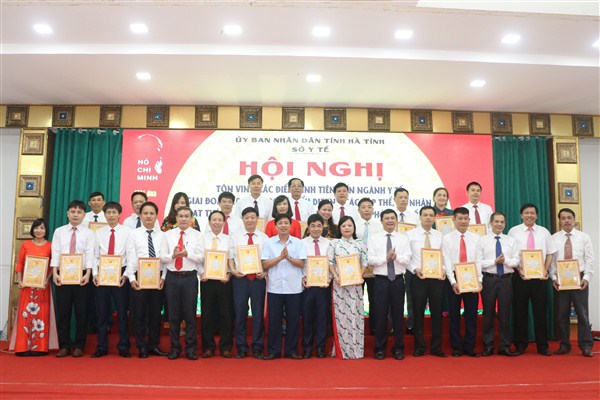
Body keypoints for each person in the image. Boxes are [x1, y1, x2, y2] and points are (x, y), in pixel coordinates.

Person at [507, 203, 557, 356]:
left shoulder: (544, 232)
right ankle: (520, 344)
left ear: (536, 215)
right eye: (526, 213)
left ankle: (542, 346)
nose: (529, 215)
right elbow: (511, 254)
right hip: (520, 276)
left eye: (532, 213)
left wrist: (545, 269)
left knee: (540, 312)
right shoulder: (513, 231)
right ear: (521, 215)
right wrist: (519, 270)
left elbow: (550, 253)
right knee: (520, 311)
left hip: (540, 278)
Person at [51, 200, 95, 358]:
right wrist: (55, 272)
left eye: (79, 212)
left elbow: (90, 254)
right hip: (63, 275)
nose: (75, 215)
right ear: (67, 214)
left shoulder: (89, 233)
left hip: (82, 275)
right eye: (73, 212)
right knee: (63, 312)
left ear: (84, 215)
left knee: (81, 313)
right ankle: (64, 345)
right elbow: (55, 252)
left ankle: (79, 346)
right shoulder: (59, 232)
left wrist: (88, 274)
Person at [160, 206, 203, 360]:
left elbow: (201, 257)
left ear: (191, 218)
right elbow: (162, 257)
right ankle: (174, 348)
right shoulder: (167, 235)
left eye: (186, 216)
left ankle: (191, 349)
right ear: (176, 218)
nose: (183, 219)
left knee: (190, 315)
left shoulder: (198, 235)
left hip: (189, 278)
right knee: (173, 315)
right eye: (181, 216)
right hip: (172, 278)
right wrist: (172, 256)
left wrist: (187, 254)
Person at [125, 201, 168, 358]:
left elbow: (165, 259)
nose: (148, 216)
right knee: (139, 314)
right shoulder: (133, 234)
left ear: (156, 216)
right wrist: (131, 278)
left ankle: (153, 345)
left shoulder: (162, 235)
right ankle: (141, 346)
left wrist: (163, 277)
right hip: (139, 277)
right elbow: (130, 257)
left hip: (157, 278)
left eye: (151, 213)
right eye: (145, 213)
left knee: (156, 314)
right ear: (140, 215)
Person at [368, 209, 411, 360]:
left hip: (398, 280)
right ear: (381, 221)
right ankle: (379, 348)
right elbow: (370, 260)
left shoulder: (403, 238)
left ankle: (398, 348)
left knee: (398, 315)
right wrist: (385, 259)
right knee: (380, 315)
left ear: (396, 220)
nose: (390, 220)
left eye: (392, 218)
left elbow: (407, 259)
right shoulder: (374, 238)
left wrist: (396, 257)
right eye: (386, 218)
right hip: (381, 281)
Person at [551, 208, 595, 357]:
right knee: (562, 314)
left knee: (582, 313)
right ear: (560, 221)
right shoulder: (554, 238)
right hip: (561, 279)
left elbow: (590, 259)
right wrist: (553, 278)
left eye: (569, 218)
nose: (566, 221)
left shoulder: (584, 237)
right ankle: (564, 345)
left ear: (574, 219)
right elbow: (551, 261)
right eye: (563, 218)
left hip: (579, 278)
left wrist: (586, 278)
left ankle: (586, 345)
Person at [262, 214, 307, 360]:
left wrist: (288, 258)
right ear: (275, 226)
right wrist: (280, 258)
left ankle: (291, 350)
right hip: (274, 287)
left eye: (286, 223)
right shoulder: (269, 243)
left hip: (294, 287)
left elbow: (302, 263)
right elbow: (265, 264)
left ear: (291, 226)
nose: (283, 225)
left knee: (293, 320)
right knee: (274, 320)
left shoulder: (298, 243)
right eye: (280, 223)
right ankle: (273, 351)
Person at [10, 218, 57, 356]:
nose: (39, 230)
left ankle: (40, 348)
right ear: (32, 230)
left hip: (42, 286)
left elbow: (52, 266)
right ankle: (22, 347)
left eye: (42, 228)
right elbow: (20, 264)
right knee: (25, 315)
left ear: (46, 230)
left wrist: (47, 279)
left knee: (41, 315)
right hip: (27, 286)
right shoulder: (26, 245)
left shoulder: (50, 246)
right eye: (36, 228)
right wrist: (20, 280)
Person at [91, 202, 132, 358]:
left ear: (120, 214)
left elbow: (131, 256)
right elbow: (94, 255)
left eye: (114, 212)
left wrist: (126, 275)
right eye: (108, 212)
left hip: (120, 274)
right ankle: (101, 347)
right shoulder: (98, 233)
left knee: (122, 313)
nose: (111, 215)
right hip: (102, 274)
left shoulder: (127, 232)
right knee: (102, 312)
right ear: (104, 214)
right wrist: (95, 274)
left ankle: (124, 346)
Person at [406, 206, 447, 357]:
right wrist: (414, 269)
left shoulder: (439, 236)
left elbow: (444, 256)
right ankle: (420, 346)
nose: (428, 218)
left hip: (436, 279)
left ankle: (436, 347)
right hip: (419, 278)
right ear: (420, 217)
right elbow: (407, 257)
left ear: (435, 218)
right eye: (425, 215)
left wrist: (443, 269)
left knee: (437, 312)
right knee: (418, 312)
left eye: (431, 215)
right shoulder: (410, 235)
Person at [476, 211, 519, 357]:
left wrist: (505, 261)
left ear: (505, 224)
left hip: (506, 280)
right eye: (496, 221)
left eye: (502, 222)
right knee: (488, 313)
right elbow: (479, 263)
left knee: (505, 314)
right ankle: (488, 346)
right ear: (491, 223)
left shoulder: (511, 241)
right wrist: (494, 262)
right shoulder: (482, 240)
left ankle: (504, 346)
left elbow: (516, 261)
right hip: (489, 279)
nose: (499, 224)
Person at [228, 207, 269, 359]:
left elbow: (267, 259)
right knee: (240, 313)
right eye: (247, 217)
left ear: (257, 219)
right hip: (240, 279)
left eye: (253, 217)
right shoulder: (235, 237)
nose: (250, 220)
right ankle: (241, 347)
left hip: (258, 280)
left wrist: (265, 272)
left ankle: (258, 347)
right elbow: (230, 257)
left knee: (258, 314)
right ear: (242, 219)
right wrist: (233, 271)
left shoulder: (264, 238)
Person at [443, 206, 482, 357]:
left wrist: (479, 280)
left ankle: (469, 347)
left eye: (466, 218)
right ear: (453, 220)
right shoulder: (447, 238)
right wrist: (453, 282)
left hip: (471, 277)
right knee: (454, 315)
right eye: (460, 218)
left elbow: (478, 261)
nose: (463, 221)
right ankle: (456, 347)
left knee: (471, 314)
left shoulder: (476, 238)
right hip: (453, 277)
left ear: (469, 220)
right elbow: (447, 262)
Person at [327, 216, 368, 359]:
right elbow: (330, 263)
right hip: (339, 285)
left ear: (354, 228)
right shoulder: (334, 243)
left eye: (350, 225)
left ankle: (356, 349)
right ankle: (342, 350)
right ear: (339, 228)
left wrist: (359, 276)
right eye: (343, 225)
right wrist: (335, 276)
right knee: (341, 317)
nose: (347, 228)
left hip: (355, 286)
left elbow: (365, 263)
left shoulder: (360, 243)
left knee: (355, 316)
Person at [200, 210, 234, 359]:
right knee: (207, 314)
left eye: (220, 220)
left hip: (224, 281)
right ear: (209, 222)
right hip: (207, 281)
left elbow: (232, 259)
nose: (217, 222)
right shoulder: (202, 239)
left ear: (224, 222)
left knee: (226, 314)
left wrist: (229, 274)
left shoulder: (229, 239)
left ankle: (225, 347)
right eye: (214, 220)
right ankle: (208, 347)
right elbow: (199, 259)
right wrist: (201, 273)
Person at [301, 214, 330, 358]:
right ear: (308, 227)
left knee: (322, 317)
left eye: (319, 226)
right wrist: (302, 277)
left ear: (323, 227)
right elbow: (300, 263)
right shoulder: (301, 243)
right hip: (308, 286)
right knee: (307, 317)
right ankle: (307, 347)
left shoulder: (329, 244)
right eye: (313, 226)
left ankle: (320, 347)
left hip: (324, 286)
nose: (316, 229)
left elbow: (332, 264)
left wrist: (330, 278)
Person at [355, 197, 383, 335]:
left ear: (373, 209)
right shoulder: (353, 225)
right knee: (356, 298)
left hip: (374, 267)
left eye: (369, 207)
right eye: (363, 207)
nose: (366, 209)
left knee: (375, 299)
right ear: (358, 210)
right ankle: (356, 327)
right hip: (357, 267)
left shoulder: (379, 226)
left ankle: (374, 327)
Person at [393, 188, 418, 335]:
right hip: (393, 262)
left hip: (410, 261)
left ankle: (411, 324)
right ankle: (393, 325)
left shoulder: (415, 217)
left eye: (405, 197)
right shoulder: (389, 215)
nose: (403, 200)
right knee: (394, 297)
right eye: (400, 197)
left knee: (411, 295)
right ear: (394, 199)